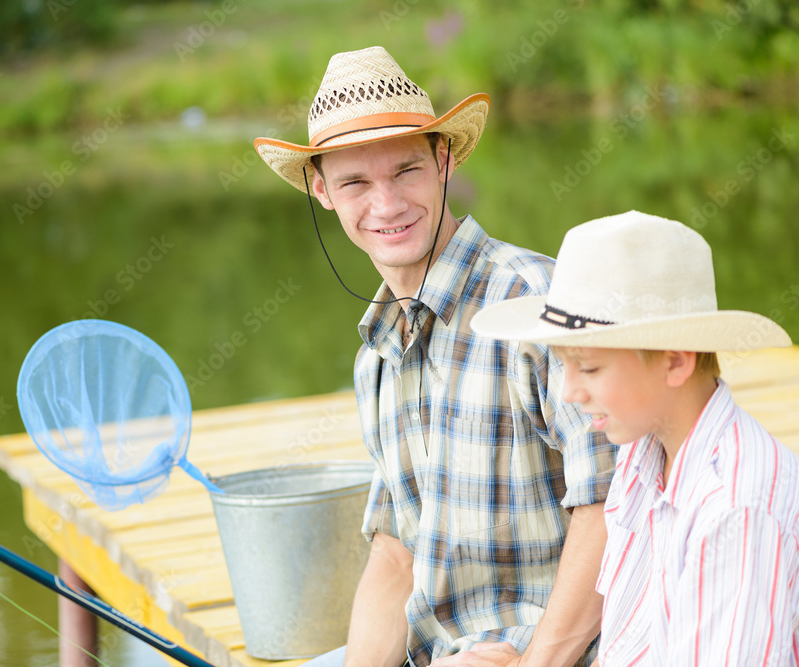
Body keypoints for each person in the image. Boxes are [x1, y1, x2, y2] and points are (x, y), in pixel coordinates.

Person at [254, 46, 617, 667]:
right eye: (354, 183)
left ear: (443, 160)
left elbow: (614, 506)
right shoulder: (377, 356)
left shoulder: (536, 303)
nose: (387, 205)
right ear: (321, 191)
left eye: (405, 171)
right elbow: (396, 555)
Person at [470, 210, 799, 665]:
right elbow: (627, 642)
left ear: (676, 361)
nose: (568, 391)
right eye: (564, 364)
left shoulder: (735, 508)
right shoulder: (643, 449)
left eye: (590, 368)